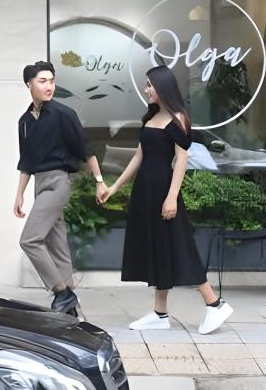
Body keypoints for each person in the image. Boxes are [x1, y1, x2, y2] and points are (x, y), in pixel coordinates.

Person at [99, 65, 233, 335]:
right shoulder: (151, 117)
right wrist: (114, 187)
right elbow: (139, 156)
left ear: (162, 86)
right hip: (145, 191)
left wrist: (171, 197)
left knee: (180, 246)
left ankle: (215, 304)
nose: (146, 89)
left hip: (164, 191)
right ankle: (160, 313)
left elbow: (181, 160)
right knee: (159, 248)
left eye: (150, 85)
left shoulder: (178, 118)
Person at [14, 60, 105, 318]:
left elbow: (86, 149)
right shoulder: (24, 122)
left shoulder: (64, 114)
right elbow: (26, 162)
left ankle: (62, 293)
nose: (49, 86)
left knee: (29, 240)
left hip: (58, 182)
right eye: (42, 81)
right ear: (29, 84)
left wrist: (99, 181)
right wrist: (19, 194)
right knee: (57, 246)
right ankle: (72, 314)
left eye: (52, 81)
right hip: (40, 184)